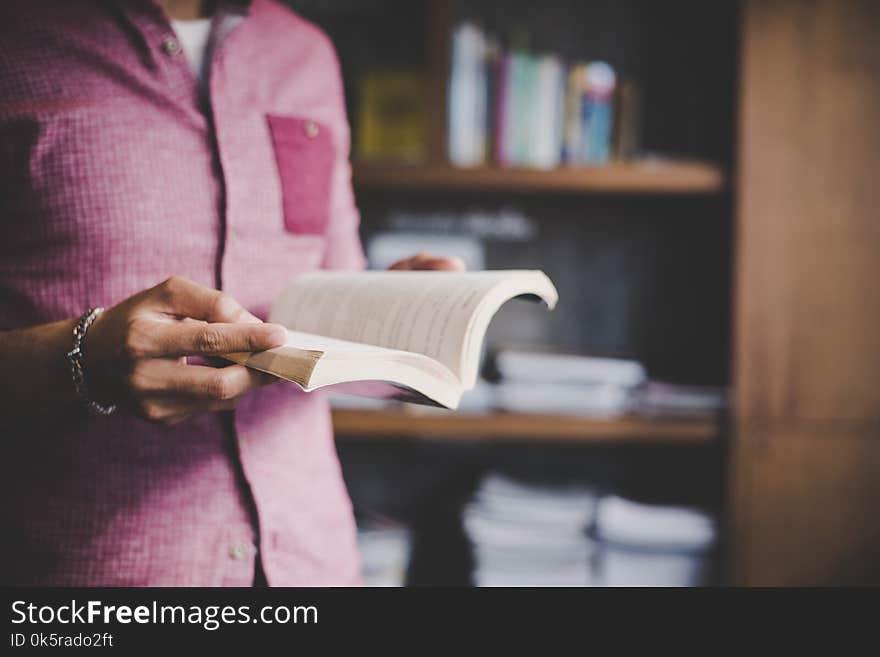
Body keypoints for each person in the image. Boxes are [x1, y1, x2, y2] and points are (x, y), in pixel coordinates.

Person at [0, 0, 462, 586]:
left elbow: (329, 276)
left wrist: (395, 307)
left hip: (311, 565)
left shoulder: (307, 54)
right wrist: (83, 359)